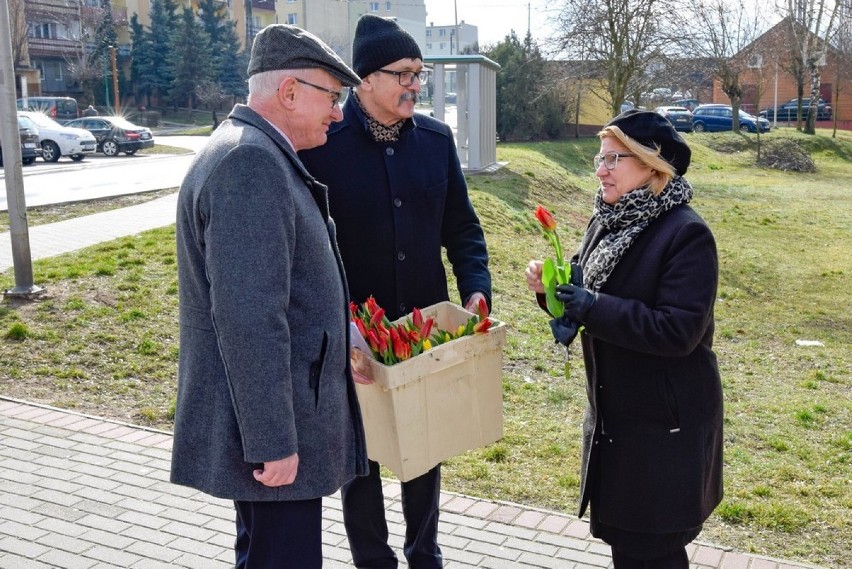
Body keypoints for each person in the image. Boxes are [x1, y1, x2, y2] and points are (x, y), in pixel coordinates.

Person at [170, 24, 368, 569]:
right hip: (278, 431)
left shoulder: (249, 151)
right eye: (332, 97)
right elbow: (250, 317)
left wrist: (346, 333)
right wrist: (272, 440)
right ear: (288, 92)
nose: (339, 112)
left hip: (277, 417)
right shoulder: (250, 164)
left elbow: (281, 290)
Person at [300, 14, 492, 569]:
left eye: (419, 72)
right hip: (355, 336)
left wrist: (475, 289)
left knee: (423, 451)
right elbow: (308, 250)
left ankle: (424, 555)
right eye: (404, 72)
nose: (416, 83)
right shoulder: (322, 143)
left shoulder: (435, 140)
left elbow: (463, 228)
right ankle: (372, 561)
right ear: (365, 80)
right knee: (361, 460)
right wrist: (341, 326)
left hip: (422, 331)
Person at [525, 110, 723, 568]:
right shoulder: (609, 220)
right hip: (621, 425)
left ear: (653, 166)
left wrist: (591, 305)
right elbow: (585, 290)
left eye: (614, 158)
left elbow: (678, 331)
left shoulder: (687, 234)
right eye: (600, 157)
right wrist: (551, 287)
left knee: (653, 553)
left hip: (663, 432)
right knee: (630, 550)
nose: (600, 169)